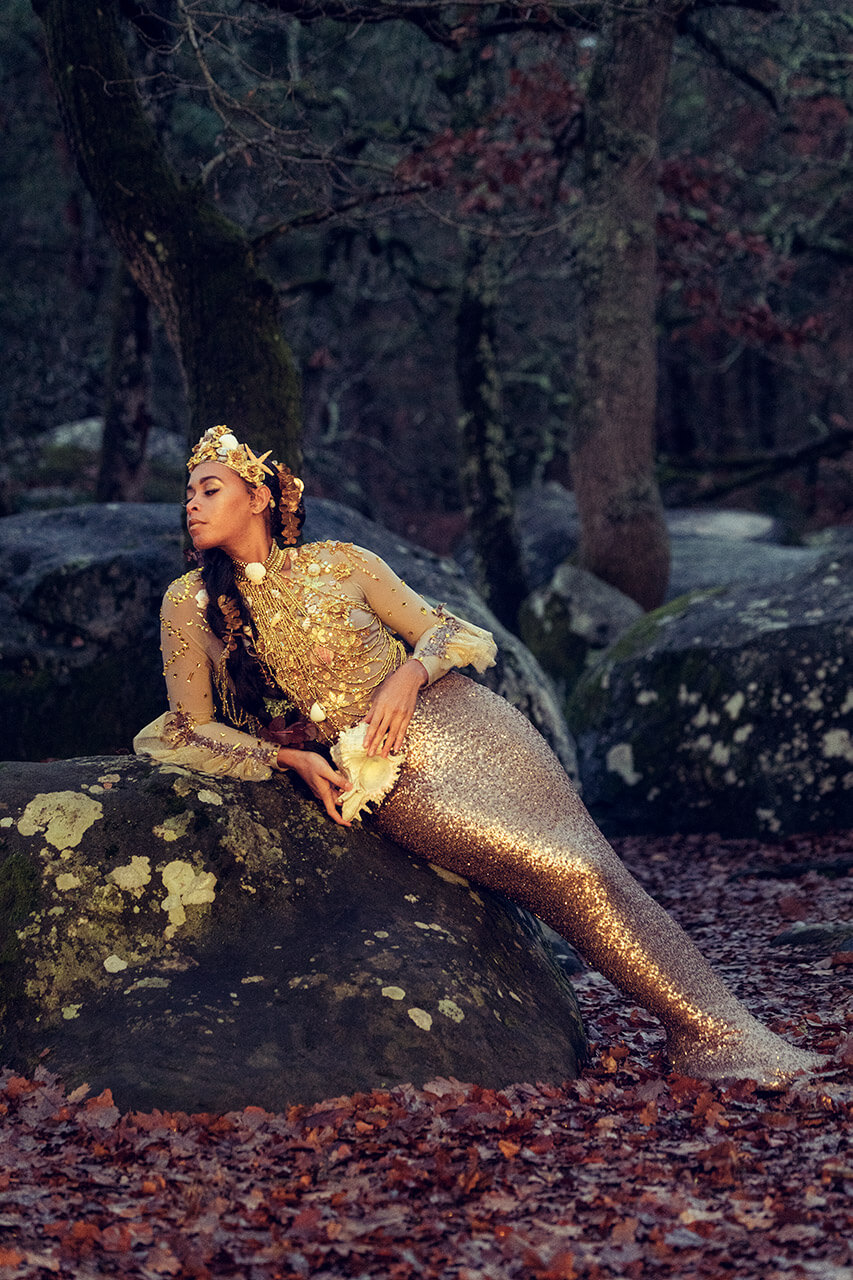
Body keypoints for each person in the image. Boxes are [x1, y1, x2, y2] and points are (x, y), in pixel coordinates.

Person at [135, 424, 823, 1088]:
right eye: (188, 494)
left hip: (464, 718)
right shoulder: (187, 603)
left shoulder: (344, 562)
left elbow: (447, 631)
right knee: (568, 873)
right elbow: (189, 727)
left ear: (258, 498)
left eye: (209, 490)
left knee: (600, 862)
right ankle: (707, 1035)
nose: (192, 504)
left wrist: (409, 674)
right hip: (385, 770)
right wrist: (288, 760)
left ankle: (725, 1033)